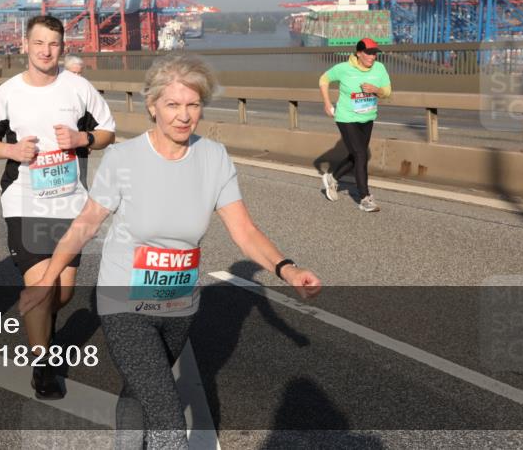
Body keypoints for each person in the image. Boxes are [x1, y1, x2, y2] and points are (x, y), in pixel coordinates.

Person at [20, 54, 322, 448]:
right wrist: (47, 278)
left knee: (142, 388)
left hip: (179, 302)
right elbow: (86, 223)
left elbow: (244, 230)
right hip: (124, 300)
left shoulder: (214, 158)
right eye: (173, 105)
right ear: (153, 106)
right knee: (166, 414)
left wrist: (287, 269)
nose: (183, 115)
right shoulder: (124, 158)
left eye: (192, 105)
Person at [0, 15, 116, 399]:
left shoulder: (78, 88)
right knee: (39, 284)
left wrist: (80, 137)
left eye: (53, 44)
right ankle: (43, 366)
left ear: (62, 47)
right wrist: (10, 150)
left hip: (69, 202)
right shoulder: (8, 92)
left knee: (64, 293)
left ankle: (44, 321)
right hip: (25, 199)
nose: (45, 51)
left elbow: (107, 131)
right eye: (38, 43)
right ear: (25, 45)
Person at [319, 37, 392, 212]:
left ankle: (332, 177)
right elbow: (323, 79)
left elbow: (387, 92)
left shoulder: (380, 68)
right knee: (361, 154)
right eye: (368, 53)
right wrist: (327, 103)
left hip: (367, 117)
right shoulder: (344, 68)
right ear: (359, 53)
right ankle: (365, 198)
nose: (372, 57)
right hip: (346, 118)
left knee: (356, 156)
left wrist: (376, 90)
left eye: (374, 53)